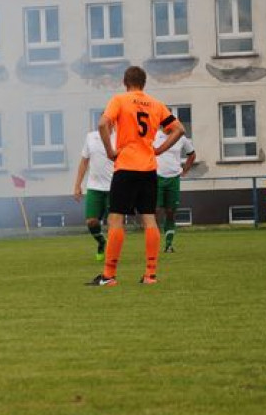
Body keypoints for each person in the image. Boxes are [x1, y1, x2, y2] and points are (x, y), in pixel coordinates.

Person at [86, 65, 184, 287]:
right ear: (144, 83)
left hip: (126, 167)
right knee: (149, 218)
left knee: (116, 219)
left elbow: (103, 124)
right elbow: (179, 129)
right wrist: (159, 150)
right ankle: (150, 274)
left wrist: (110, 151)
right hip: (149, 169)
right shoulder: (156, 104)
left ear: (124, 82)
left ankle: (109, 275)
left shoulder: (119, 100)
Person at [73, 129, 114, 260]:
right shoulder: (91, 137)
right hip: (94, 187)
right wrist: (77, 185)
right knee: (91, 221)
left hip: (114, 187)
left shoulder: (120, 137)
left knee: (113, 222)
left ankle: (112, 255)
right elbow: (84, 162)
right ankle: (102, 241)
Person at [154, 127, 195, 253]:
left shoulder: (181, 137)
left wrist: (185, 170)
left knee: (171, 211)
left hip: (173, 179)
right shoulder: (154, 136)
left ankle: (169, 244)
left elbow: (192, 154)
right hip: (156, 177)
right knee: (154, 211)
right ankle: (152, 244)